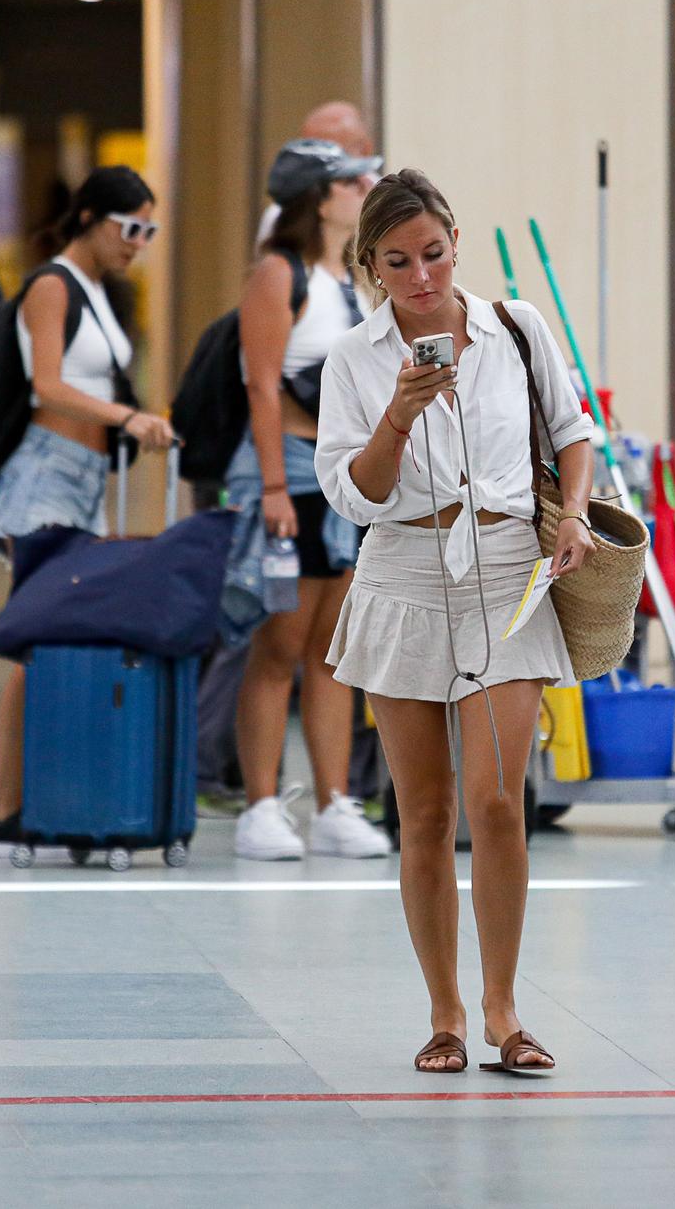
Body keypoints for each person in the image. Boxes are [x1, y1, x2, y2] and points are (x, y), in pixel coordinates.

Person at [315, 170, 597, 1075]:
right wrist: (396, 415)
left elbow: (573, 429)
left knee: (496, 799)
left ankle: (505, 1010)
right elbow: (353, 495)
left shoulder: (516, 326)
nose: (422, 275)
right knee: (424, 810)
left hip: (509, 568)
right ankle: (443, 1012)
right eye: (398, 261)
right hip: (402, 572)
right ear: (370, 265)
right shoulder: (354, 360)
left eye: (433, 253)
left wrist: (579, 513)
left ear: (455, 241)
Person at [0, 167, 175, 856]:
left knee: (54, 638)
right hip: (43, 473)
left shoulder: (99, 290)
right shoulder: (53, 284)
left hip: (84, 477)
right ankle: (5, 811)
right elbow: (48, 384)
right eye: (130, 228)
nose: (138, 243)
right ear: (90, 217)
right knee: (39, 641)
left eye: (148, 231)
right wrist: (128, 415)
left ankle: (34, 801)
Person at [229, 140, 384, 861]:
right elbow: (261, 382)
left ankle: (334, 801)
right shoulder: (277, 273)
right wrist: (268, 485)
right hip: (287, 468)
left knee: (332, 646)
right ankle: (261, 801)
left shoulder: (349, 281)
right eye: (353, 181)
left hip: (339, 470)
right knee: (279, 643)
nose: (366, 187)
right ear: (320, 197)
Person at [254, 101, 376, 250]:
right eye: (309, 150)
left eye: (335, 158)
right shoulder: (281, 216)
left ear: (366, 150)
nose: (315, 163)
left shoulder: (394, 204)